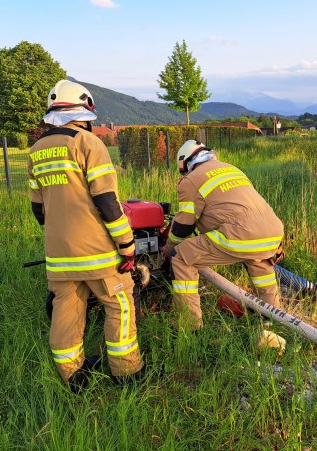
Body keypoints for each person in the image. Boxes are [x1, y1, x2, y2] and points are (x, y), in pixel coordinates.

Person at [27, 79, 145, 390]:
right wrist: (127, 245)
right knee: (119, 304)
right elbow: (107, 202)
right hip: (96, 251)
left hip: (58, 253)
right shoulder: (88, 143)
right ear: (84, 112)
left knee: (65, 312)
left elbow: (38, 210)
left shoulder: (36, 151)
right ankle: (127, 373)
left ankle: (74, 376)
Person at [162, 139, 285, 330]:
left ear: (185, 164)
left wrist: (168, 248)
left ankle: (189, 326)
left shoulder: (191, 180)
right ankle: (273, 319)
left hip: (240, 233)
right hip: (273, 231)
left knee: (182, 258)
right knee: (260, 265)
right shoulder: (231, 169)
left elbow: (183, 227)